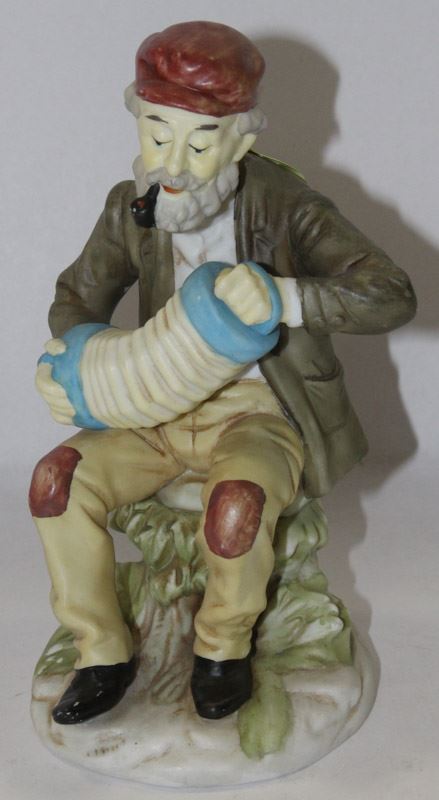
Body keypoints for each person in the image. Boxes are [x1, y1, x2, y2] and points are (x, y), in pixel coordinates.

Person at [29, 21, 416, 725]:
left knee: (237, 503)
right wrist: (74, 358)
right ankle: (101, 648)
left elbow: (389, 293)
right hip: (156, 413)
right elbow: (77, 296)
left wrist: (285, 298)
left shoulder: (286, 206)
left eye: (200, 143)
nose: (173, 163)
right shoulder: (131, 207)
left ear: (239, 139)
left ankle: (222, 648)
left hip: (256, 413)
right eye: (156, 135)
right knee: (57, 482)